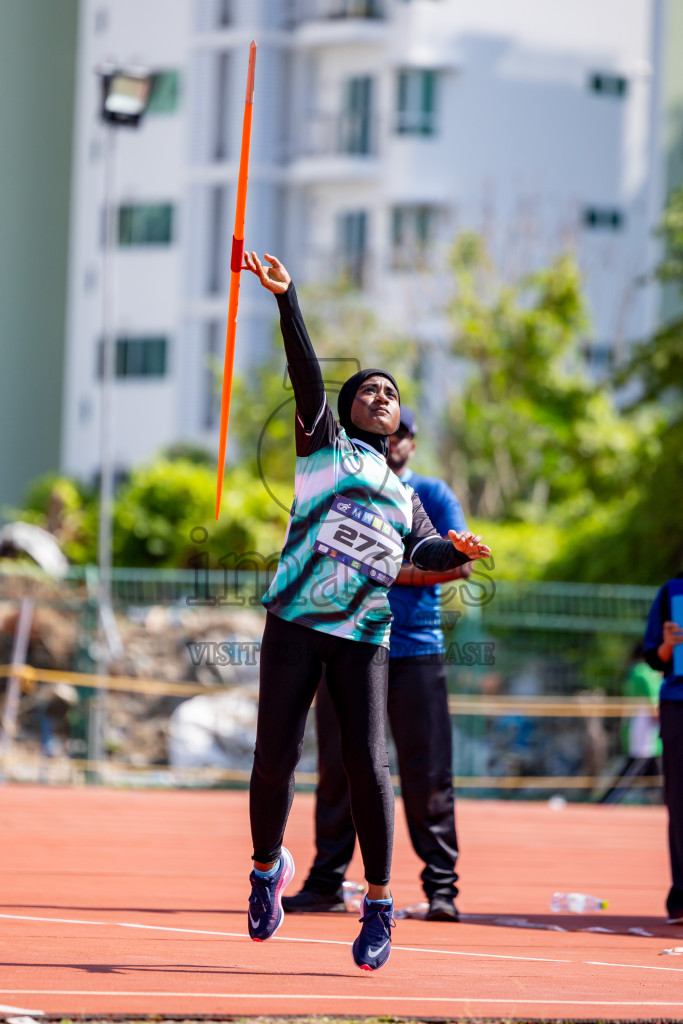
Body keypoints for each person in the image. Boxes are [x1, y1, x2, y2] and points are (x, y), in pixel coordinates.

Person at [242, 251, 491, 972]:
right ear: (345, 408)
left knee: (368, 766)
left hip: (362, 635)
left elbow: (429, 553)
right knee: (275, 759)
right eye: (367, 390)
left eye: (389, 391)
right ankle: (266, 872)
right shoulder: (323, 444)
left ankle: (378, 903)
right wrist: (287, 302)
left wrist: (459, 552)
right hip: (294, 621)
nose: (379, 395)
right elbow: (305, 371)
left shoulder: (402, 493)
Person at [283, 406, 471, 922]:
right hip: (347, 640)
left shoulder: (428, 495)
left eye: (406, 431)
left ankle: (441, 890)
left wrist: (386, 569)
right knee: (341, 769)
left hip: (414, 648)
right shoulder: (343, 480)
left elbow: (460, 563)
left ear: (410, 441)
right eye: (391, 429)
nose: (398, 438)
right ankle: (326, 882)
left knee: (426, 770)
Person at [643, 573, 683, 923]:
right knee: (680, 800)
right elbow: (652, 656)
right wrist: (668, 646)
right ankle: (681, 896)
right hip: (678, 702)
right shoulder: (672, 591)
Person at [601, 642, 662, 805]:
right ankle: (607, 802)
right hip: (645, 729)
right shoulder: (645, 673)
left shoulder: (634, 672)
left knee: (656, 772)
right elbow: (653, 705)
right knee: (634, 767)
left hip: (638, 725)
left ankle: (663, 801)